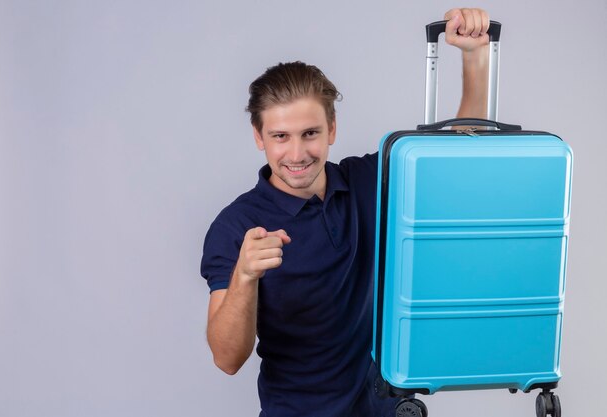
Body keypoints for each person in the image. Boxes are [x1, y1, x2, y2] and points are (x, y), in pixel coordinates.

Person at [201, 8, 491, 417]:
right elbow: (226, 358)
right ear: (258, 137)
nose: (297, 154)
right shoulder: (235, 226)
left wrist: (475, 57)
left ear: (332, 129)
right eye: (280, 136)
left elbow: (458, 151)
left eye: (311, 133)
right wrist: (244, 275)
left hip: (387, 408)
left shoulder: (370, 180)